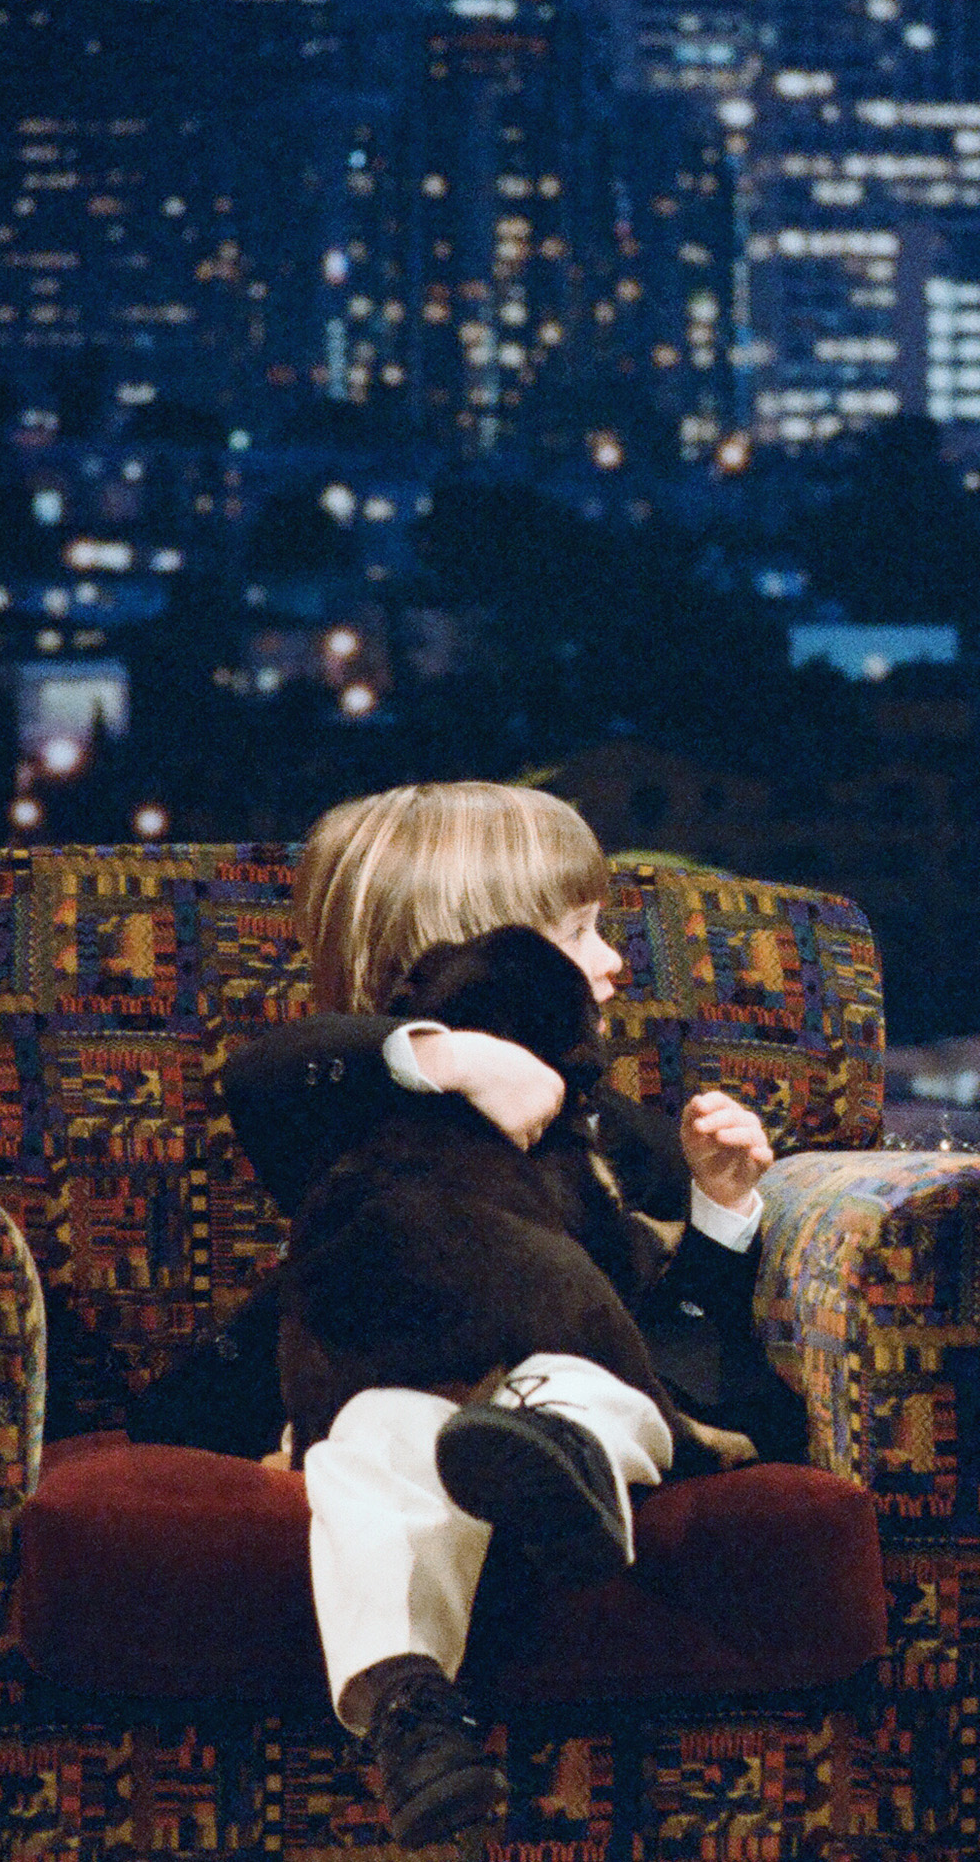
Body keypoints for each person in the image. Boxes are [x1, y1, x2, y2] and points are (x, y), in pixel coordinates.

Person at [209, 782, 791, 1844]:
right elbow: (261, 1077)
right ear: (477, 944)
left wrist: (720, 1204)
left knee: (575, 1393)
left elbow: (686, 1323)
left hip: (588, 1381)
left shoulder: (606, 1124)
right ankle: (413, 1720)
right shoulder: (353, 1101)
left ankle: (556, 1465)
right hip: (413, 1403)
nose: (615, 959)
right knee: (372, 1444)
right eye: (578, 932)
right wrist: (452, 1052)